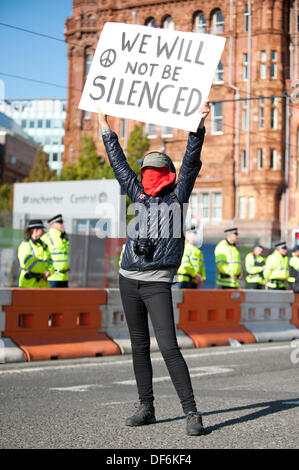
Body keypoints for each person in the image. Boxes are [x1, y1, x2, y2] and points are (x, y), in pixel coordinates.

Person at [97, 101, 210, 436]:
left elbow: (191, 162)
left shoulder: (177, 196)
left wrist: (198, 124)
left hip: (157, 281)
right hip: (128, 277)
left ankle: (191, 412)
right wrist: (105, 127)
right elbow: (118, 164)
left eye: (150, 171)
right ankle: (147, 407)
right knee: (139, 344)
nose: (146, 177)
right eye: (145, 172)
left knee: (168, 347)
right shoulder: (138, 193)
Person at [18, 219, 53, 288]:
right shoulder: (25, 245)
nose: (43, 231)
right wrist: (44, 271)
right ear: (35, 230)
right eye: (41, 229)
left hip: (43, 285)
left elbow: (50, 261)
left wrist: (50, 271)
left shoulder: (44, 246)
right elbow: (29, 263)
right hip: (29, 285)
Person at [41, 214, 69, 287]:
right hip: (52, 277)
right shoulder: (46, 238)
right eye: (60, 222)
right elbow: (41, 255)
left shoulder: (63, 238)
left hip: (64, 277)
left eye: (62, 222)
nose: (62, 224)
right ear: (53, 225)